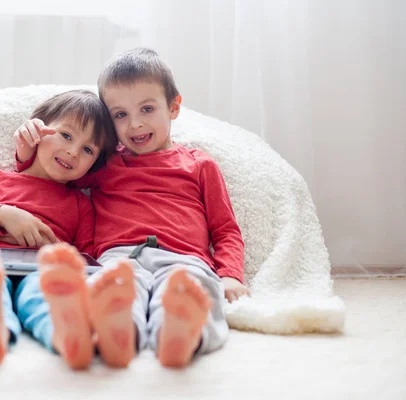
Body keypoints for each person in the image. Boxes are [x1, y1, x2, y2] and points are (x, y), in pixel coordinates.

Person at [15, 48, 251, 369]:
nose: (135, 124)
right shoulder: (105, 163)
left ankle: (181, 334)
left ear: (174, 107)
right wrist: (28, 152)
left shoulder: (199, 165)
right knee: (113, 289)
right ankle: (115, 333)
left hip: (185, 259)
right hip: (120, 258)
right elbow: (59, 176)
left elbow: (224, 229)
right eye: (120, 115)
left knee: (189, 289)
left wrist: (229, 275)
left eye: (147, 109)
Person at [0, 89, 119, 371]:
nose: (72, 151)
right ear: (37, 130)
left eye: (88, 150)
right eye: (66, 135)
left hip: (41, 270)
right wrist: (1, 215)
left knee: (45, 295)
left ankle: (68, 334)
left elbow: (86, 262)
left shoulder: (81, 204)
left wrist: (53, 247)